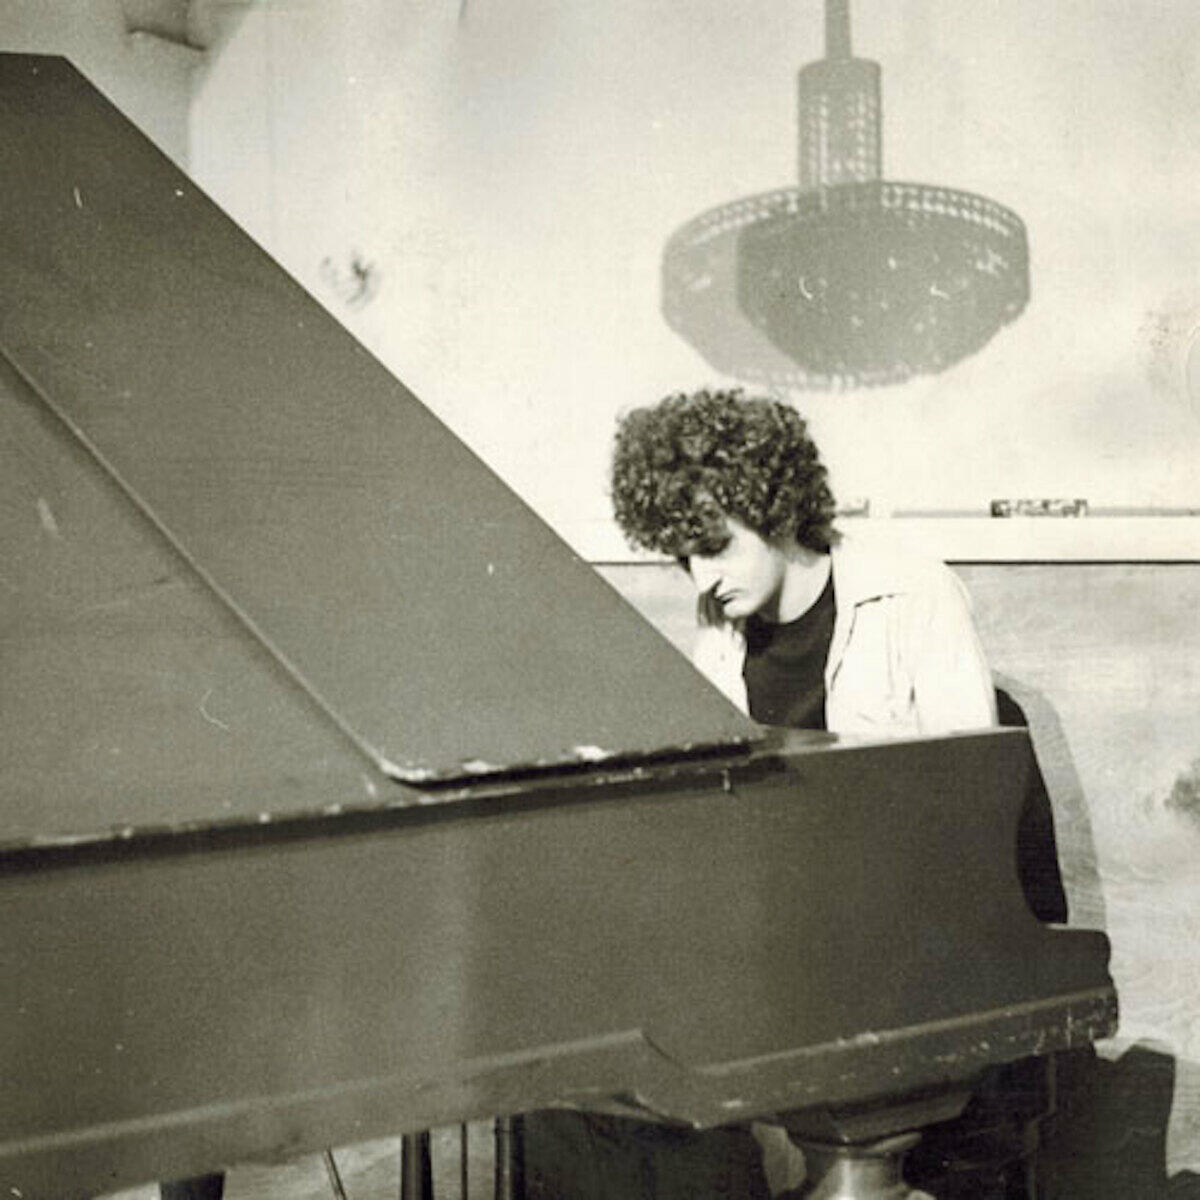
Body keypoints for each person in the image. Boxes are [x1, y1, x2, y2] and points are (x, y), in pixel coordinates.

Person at [524, 387, 1002, 1199]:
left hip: (901, 929)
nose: (703, 578)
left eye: (715, 548)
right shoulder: (720, 626)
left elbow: (971, 804)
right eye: (684, 559)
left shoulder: (913, 594)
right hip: (784, 927)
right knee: (574, 1056)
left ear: (774, 507)